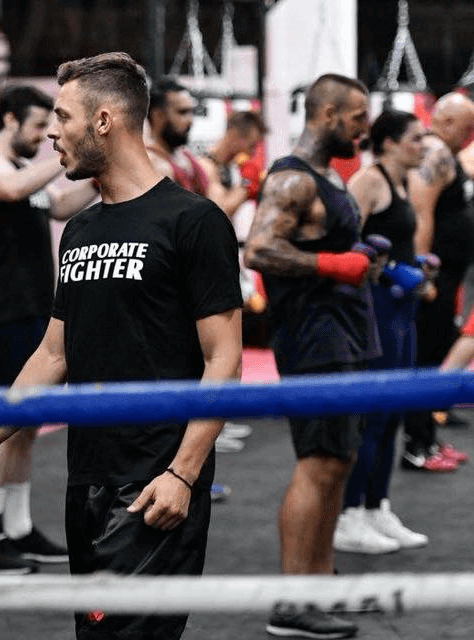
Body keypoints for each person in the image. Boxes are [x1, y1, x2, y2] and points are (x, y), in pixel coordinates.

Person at [0, 51, 242, 640]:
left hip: (156, 477)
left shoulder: (193, 221)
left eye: (62, 116)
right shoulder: (81, 228)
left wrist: (183, 474)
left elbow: (224, 358)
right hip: (88, 476)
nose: (52, 131)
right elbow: (53, 353)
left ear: (104, 120)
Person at [245, 73, 377, 640]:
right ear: (326, 115)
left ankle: (319, 581)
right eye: (356, 119)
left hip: (344, 332)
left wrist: (375, 262)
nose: (363, 131)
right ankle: (292, 603)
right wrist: (330, 266)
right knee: (318, 461)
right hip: (314, 337)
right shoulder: (293, 179)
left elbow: (329, 248)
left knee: (339, 460)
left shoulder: (328, 178)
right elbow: (258, 249)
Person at [0, 83, 97, 574]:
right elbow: (15, 191)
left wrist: (102, 171)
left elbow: (59, 206)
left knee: (26, 427)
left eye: (50, 129)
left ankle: (17, 528)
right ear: (10, 120)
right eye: (39, 127)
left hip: (38, 306)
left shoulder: (24, 169)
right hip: (6, 310)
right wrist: (73, 150)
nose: (44, 137)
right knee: (2, 423)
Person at [335, 110, 430, 555]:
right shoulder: (368, 181)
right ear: (388, 142)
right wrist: (388, 270)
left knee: (395, 410)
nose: (422, 145)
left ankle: (377, 506)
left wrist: (414, 269)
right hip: (375, 310)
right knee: (373, 413)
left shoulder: (403, 182)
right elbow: (341, 241)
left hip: (401, 310)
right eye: (415, 138)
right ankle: (349, 514)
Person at [401, 92, 474, 472]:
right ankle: (417, 445)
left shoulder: (447, 154)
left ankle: (428, 437)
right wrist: (422, 274)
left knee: (436, 354)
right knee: (425, 361)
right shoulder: (434, 152)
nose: (469, 136)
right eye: (467, 129)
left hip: (447, 277)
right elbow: (420, 214)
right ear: (445, 122)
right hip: (434, 278)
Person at [145, 77, 208, 196]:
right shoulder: (152, 164)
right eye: (182, 112)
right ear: (158, 116)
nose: (190, 121)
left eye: (191, 112)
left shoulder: (185, 156)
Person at [200, 110, 267, 218]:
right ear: (233, 134)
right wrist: (247, 185)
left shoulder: (233, 168)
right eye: (251, 145)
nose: (251, 152)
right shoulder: (206, 166)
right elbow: (219, 212)